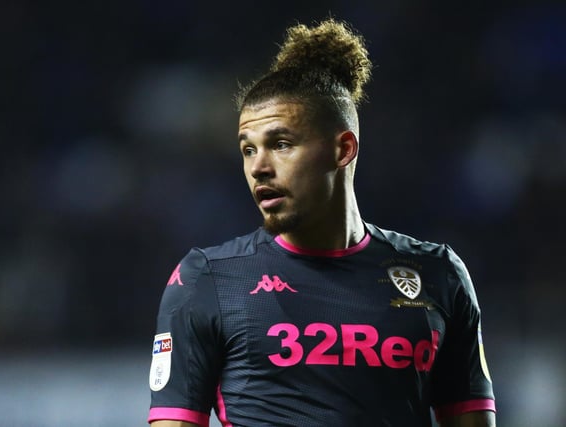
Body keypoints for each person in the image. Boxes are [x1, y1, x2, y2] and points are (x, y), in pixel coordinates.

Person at [147, 18, 496, 427]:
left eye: (280, 144)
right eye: (247, 149)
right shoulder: (206, 279)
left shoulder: (438, 274)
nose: (258, 167)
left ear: (342, 148)